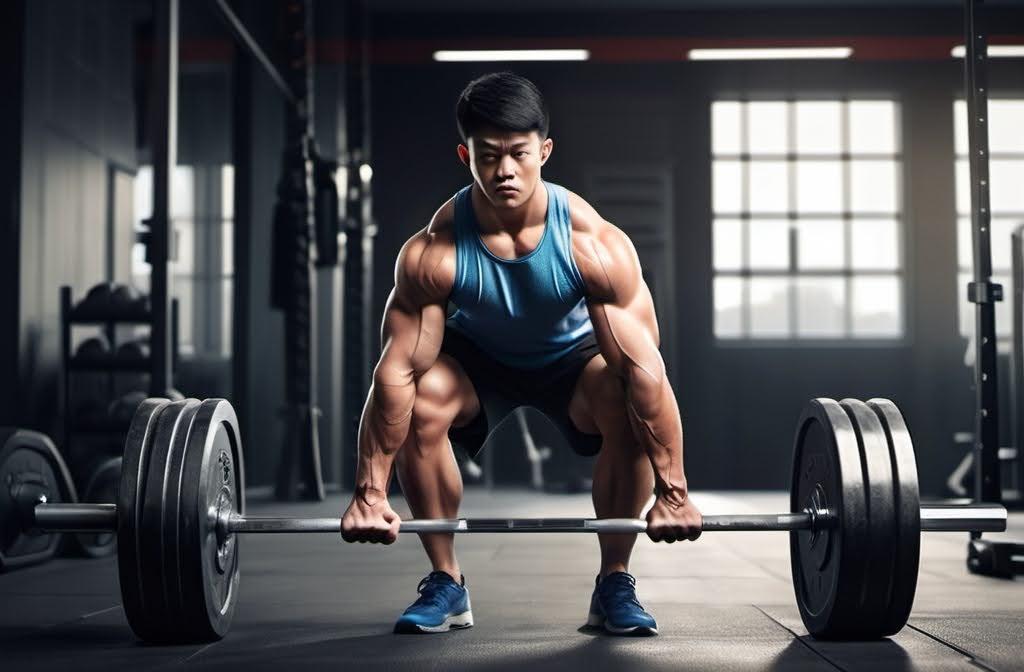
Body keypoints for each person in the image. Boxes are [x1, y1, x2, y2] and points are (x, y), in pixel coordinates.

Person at [340, 72, 702, 636]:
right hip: (479, 364)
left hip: (572, 362)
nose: (504, 170)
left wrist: (673, 492)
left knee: (621, 394)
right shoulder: (433, 251)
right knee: (422, 400)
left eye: (518, 154)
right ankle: (446, 583)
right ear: (466, 155)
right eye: (488, 156)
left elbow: (643, 369)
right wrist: (369, 493)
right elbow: (397, 370)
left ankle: (614, 582)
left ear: (544, 151)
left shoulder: (593, 246)